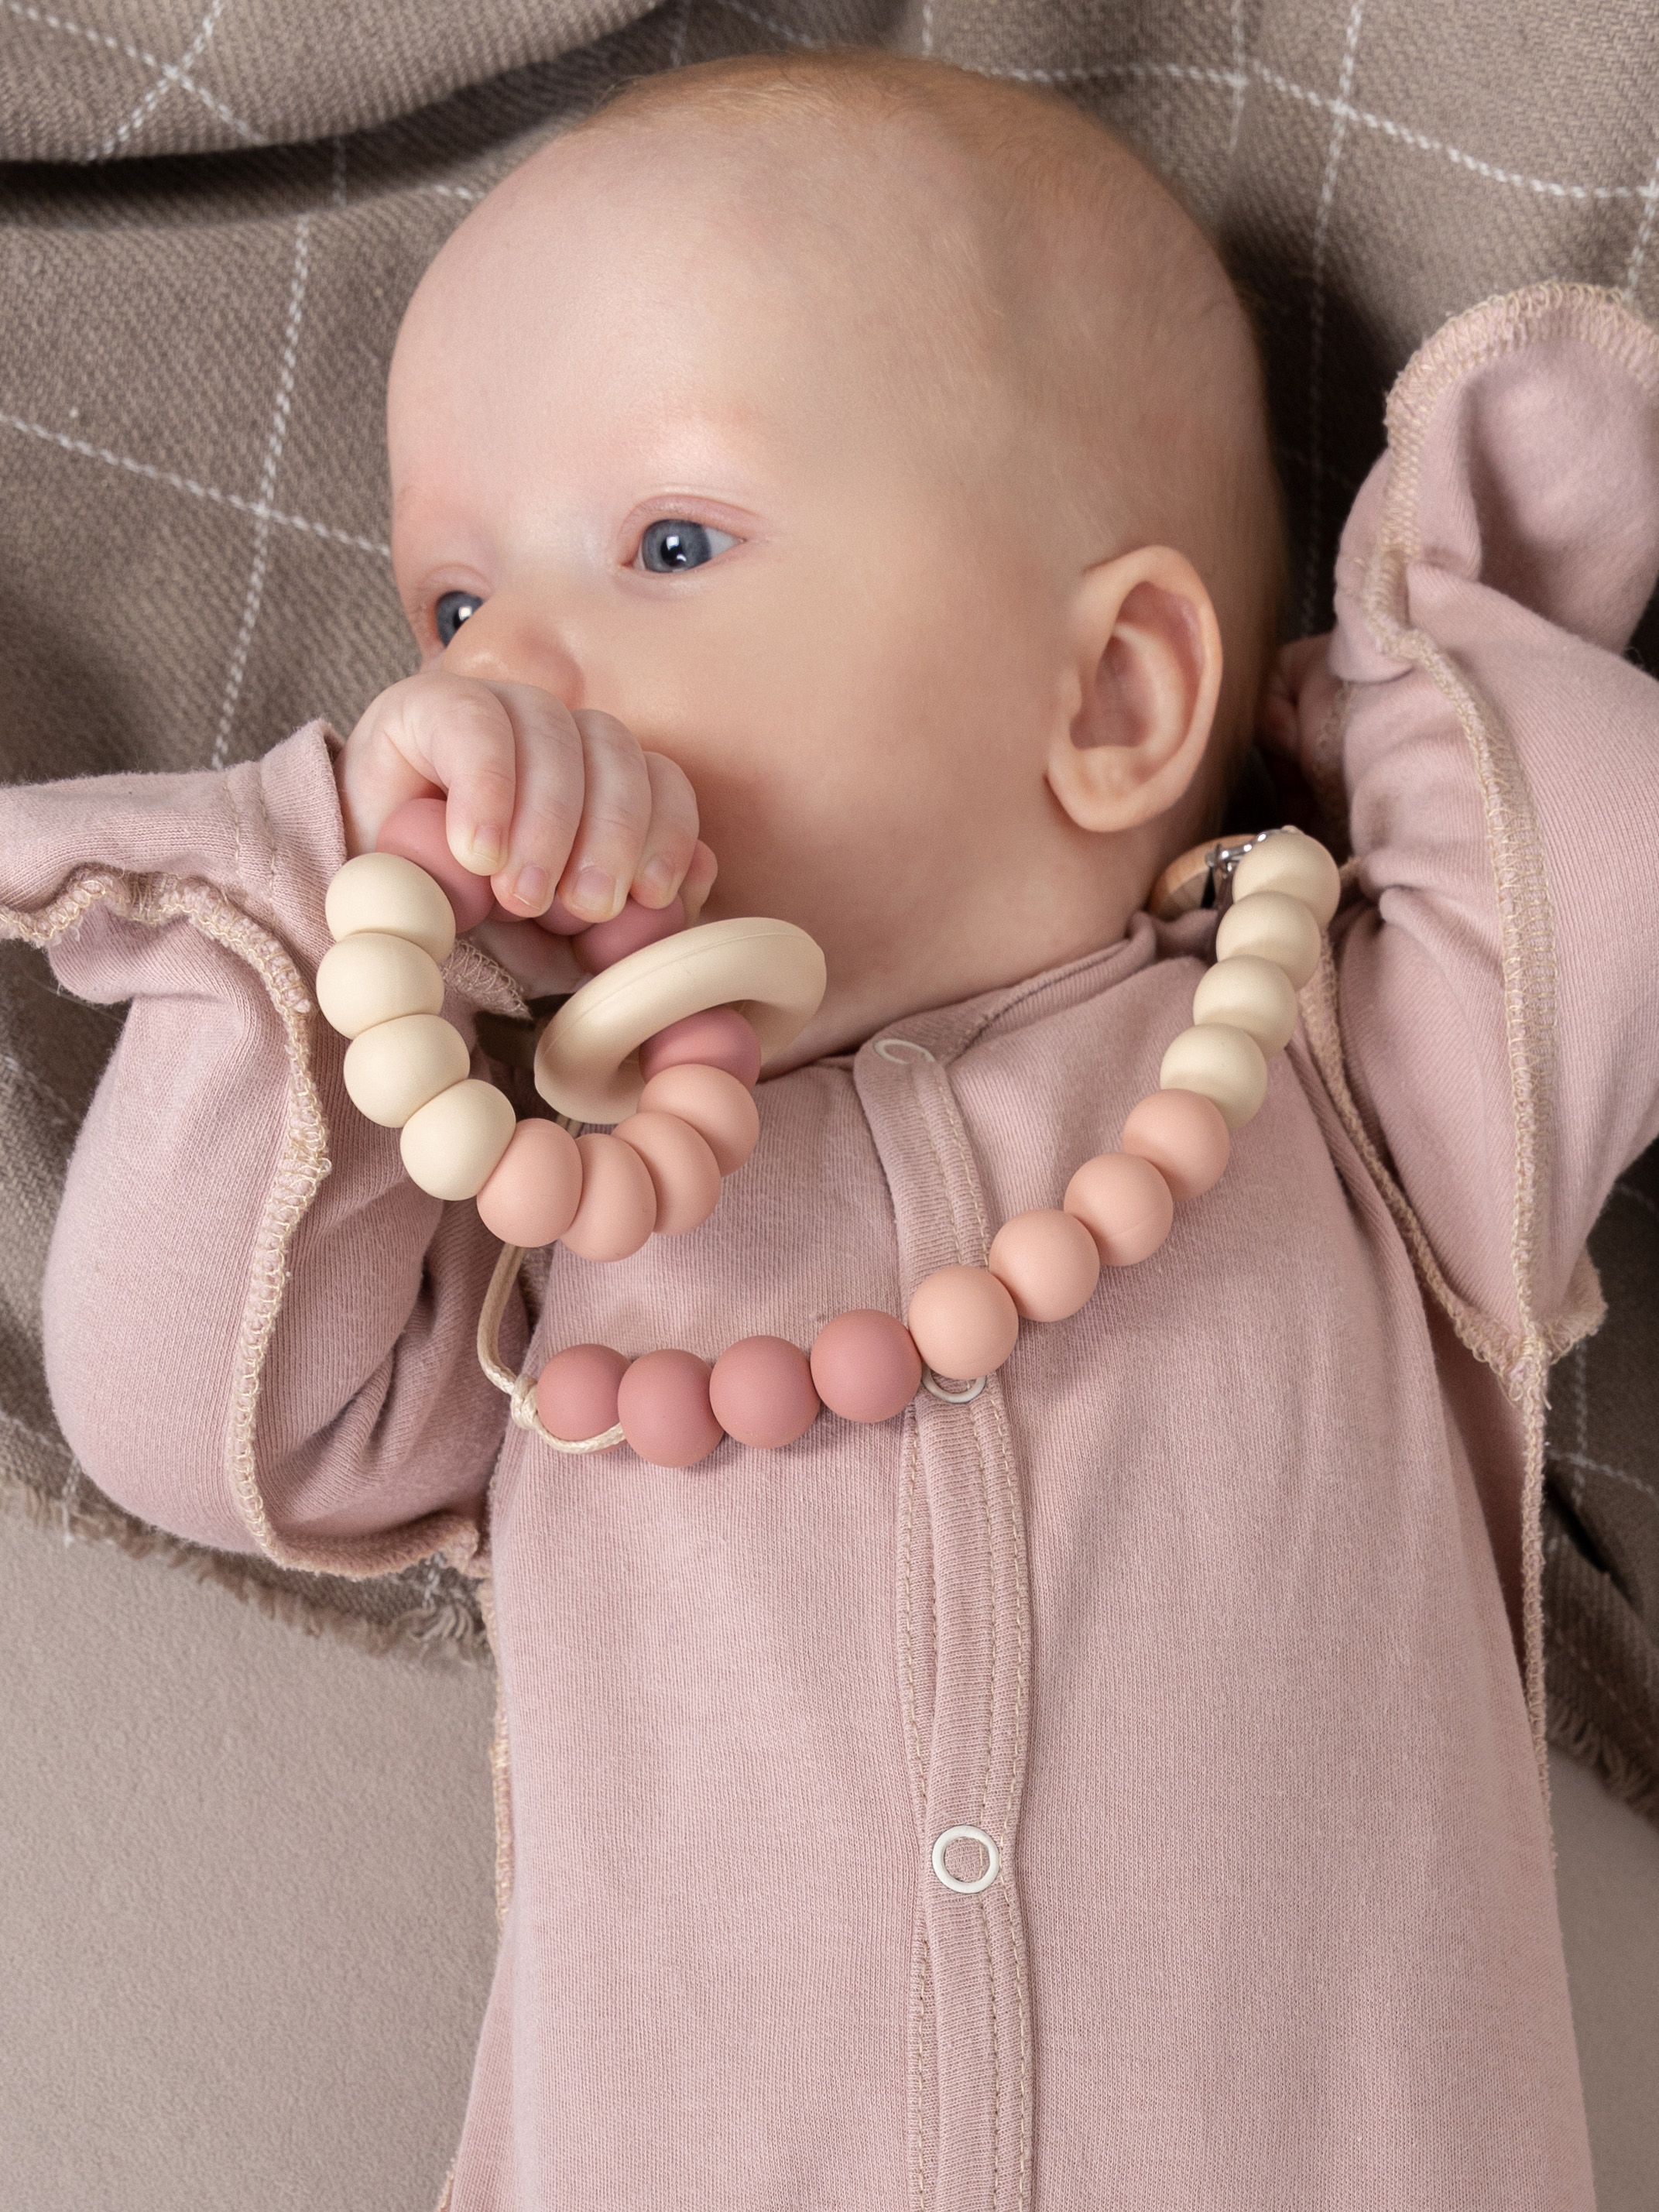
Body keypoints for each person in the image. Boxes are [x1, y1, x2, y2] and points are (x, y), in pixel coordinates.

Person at [5, 47, 1655, 2209]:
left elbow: (1604, 855)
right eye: (457, 610)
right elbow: (171, 1406)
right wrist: (354, 911)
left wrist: (1383, 678)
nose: (524, 675)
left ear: (1118, 697)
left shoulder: (1347, 1078)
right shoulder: (533, 1225)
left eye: (671, 541)